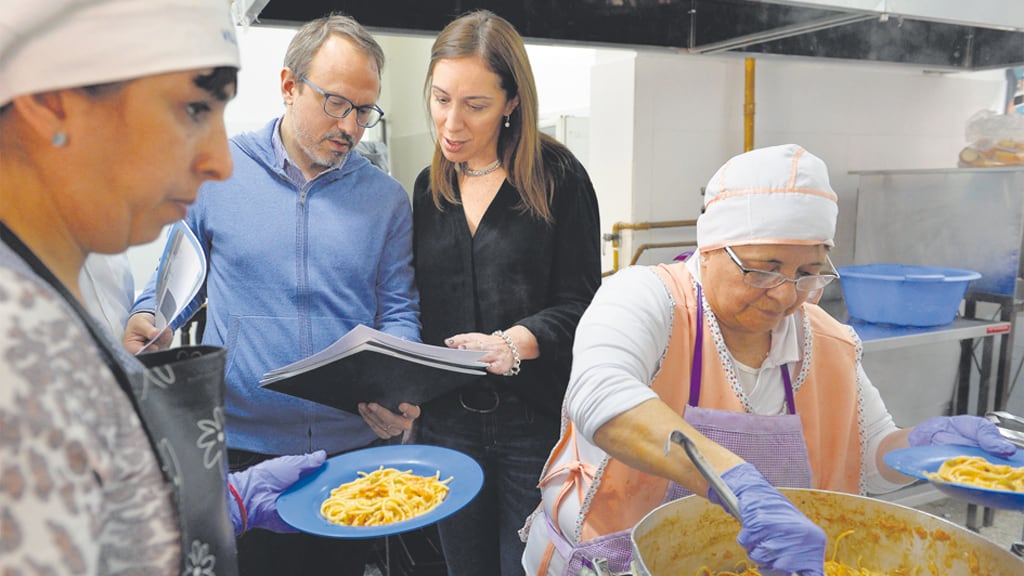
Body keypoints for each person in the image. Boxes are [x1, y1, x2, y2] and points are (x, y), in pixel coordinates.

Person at [520, 143, 1017, 575]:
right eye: (764, 269)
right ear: (711, 247)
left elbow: (868, 459)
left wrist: (926, 447)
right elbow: (599, 397)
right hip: (617, 560)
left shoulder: (826, 340)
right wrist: (735, 481)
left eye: (807, 272)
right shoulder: (646, 297)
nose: (784, 295)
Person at [0, 1, 327, 574]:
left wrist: (218, 505)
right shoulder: (16, 342)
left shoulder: (88, 271)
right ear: (53, 102)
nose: (220, 162)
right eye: (193, 108)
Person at [122, 12, 421, 576]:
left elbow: (399, 308)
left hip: (349, 453)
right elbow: (172, 286)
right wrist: (146, 316)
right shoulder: (218, 173)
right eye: (336, 103)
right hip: (241, 450)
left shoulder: (385, 200)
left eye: (364, 111)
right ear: (289, 86)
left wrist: (397, 383)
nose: (352, 127)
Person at [412, 10, 602, 576]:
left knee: (532, 567)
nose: (451, 123)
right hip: (447, 423)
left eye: (475, 105)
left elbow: (583, 303)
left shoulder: (558, 177)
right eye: (441, 99)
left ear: (512, 102)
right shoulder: (429, 188)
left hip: (533, 423)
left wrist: (517, 341)